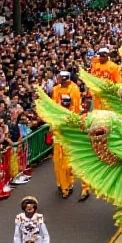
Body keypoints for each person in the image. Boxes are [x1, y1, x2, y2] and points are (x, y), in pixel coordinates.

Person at [50, 71, 86, 200]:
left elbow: (75, 109)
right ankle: (61, 183)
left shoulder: (74, 89)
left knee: (68, 160)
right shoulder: (55, 89)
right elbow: (53, 107)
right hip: (58, 129)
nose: (63, 82)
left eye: (65, 80)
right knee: (57, 160)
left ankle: (72, 185)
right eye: (61, 79)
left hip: (69, 130)